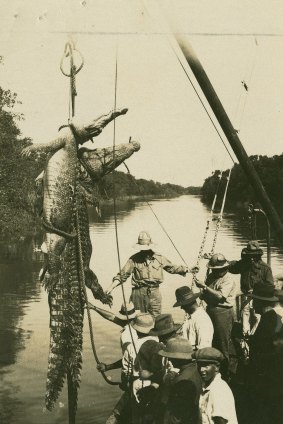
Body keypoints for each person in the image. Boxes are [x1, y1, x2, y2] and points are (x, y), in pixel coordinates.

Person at [106, 231, 198, 317]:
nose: (145, 251)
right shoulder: (133, 259)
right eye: (142, 249)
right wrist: (112, 286)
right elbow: (123, 275)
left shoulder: (159, 258)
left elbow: (172, 268)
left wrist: (188, 269)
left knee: (156, 318)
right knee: (137, 318)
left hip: (154, 293)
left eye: (146, 248)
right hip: (138, 293)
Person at [195, 253, 236, 380]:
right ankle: (213, 369)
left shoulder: (229, 279)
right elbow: (205, 293)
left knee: (223, 343)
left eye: (219, 269)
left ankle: (227, 372)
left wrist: (205, 287)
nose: (217, 271)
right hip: (211, 310)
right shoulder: (212, 276)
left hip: (223, 313)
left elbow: (220, 296)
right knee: (211, 341)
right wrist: (201, 290)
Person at [247, 284, 283, 424]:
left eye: (254, 300)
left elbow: (264, 350)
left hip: (267, 379)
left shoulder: (268, 321)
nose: (252, 304)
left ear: (260, 302)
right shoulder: (274, 318)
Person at [229, 240, 274, 334]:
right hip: (246, 295)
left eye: (254, 256)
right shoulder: (243, 264)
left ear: (258, 255)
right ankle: (245, 335)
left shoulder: (265, 268)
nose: (251, 258)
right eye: (249, 255)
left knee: (258, 317)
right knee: (244, 314)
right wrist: (223, 263)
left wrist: (258, 291)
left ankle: (254, 335)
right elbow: (233, 267)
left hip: (259, 297)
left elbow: (270, 285)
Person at [158, 337, 202, 424]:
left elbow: (175, 415)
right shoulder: (195, 369)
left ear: (178, 358)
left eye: (171, 357)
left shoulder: (182, 381)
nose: (169, 360)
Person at [194, 347, 238, 424]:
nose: (201, 369)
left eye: (206, 366)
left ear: (217, 367)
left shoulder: (218, 390)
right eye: (200, 365)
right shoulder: (207, 386)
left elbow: (221, 421)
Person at [173, 286, 214, 350]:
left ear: (189, 303)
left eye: (182, 304)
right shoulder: (192, 317)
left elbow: (203, 349)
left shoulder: (202, 320)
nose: (181, 308)